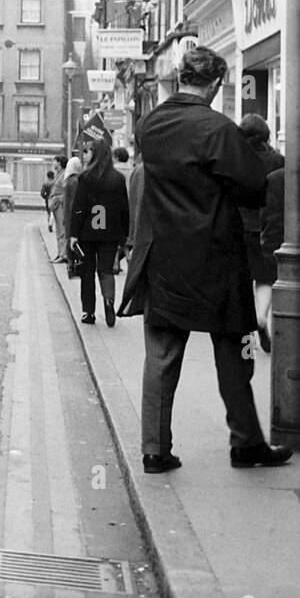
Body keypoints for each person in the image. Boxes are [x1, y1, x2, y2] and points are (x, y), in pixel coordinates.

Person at [119, 45, 291, 474]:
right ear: (214, 84)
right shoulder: (217, 128)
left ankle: (154, 451)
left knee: (161, 358)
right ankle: (246, 443)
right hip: (216, 257)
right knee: (234, 353)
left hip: (165, 258)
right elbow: (253, 187)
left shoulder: (151, 125)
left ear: (179, 78)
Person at [69, 136, 129, 327]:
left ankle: (89, 312)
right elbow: (124, 208)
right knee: (106, 271)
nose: (86, 156)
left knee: (87, 273)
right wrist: (124, 234)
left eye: (89, 151)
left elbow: (79, 208)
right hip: (110, 234)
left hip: (87, 233)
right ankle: (109, 301)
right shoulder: (118, 179)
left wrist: (73, 234)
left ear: (95, 154)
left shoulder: (85, 178)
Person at [239, 114, 285, 354]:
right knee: (265, 277)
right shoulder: (278, 160)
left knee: (243, 278)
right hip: (269, 228)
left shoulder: (235, 160)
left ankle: (247, 334)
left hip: (240, 227)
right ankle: (261, 315)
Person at [260, 165, 287, 353]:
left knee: (265, 279)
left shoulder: (276, 177)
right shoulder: (276, 161)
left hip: (272, 238)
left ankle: (260, 314)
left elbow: (269, 217)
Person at [61, 154, 84, 278]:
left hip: (68, 215)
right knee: (74, 241)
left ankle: (70, 266)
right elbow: (75, 201)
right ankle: (73, 266)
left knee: (70, 240)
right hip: (73, 215)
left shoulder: (68, 181)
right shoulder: (76, 181)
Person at [47, 154, 70, 261]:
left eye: (55, 161)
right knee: (58, 229)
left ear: (60, 163)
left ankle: (63, 254)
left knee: (62, 229)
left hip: (60, 204)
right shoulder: (58, 174)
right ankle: (59, 252)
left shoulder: (64, 174)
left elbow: (66, 191)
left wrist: (59, 198)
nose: (53, 163)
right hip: (56, 204)